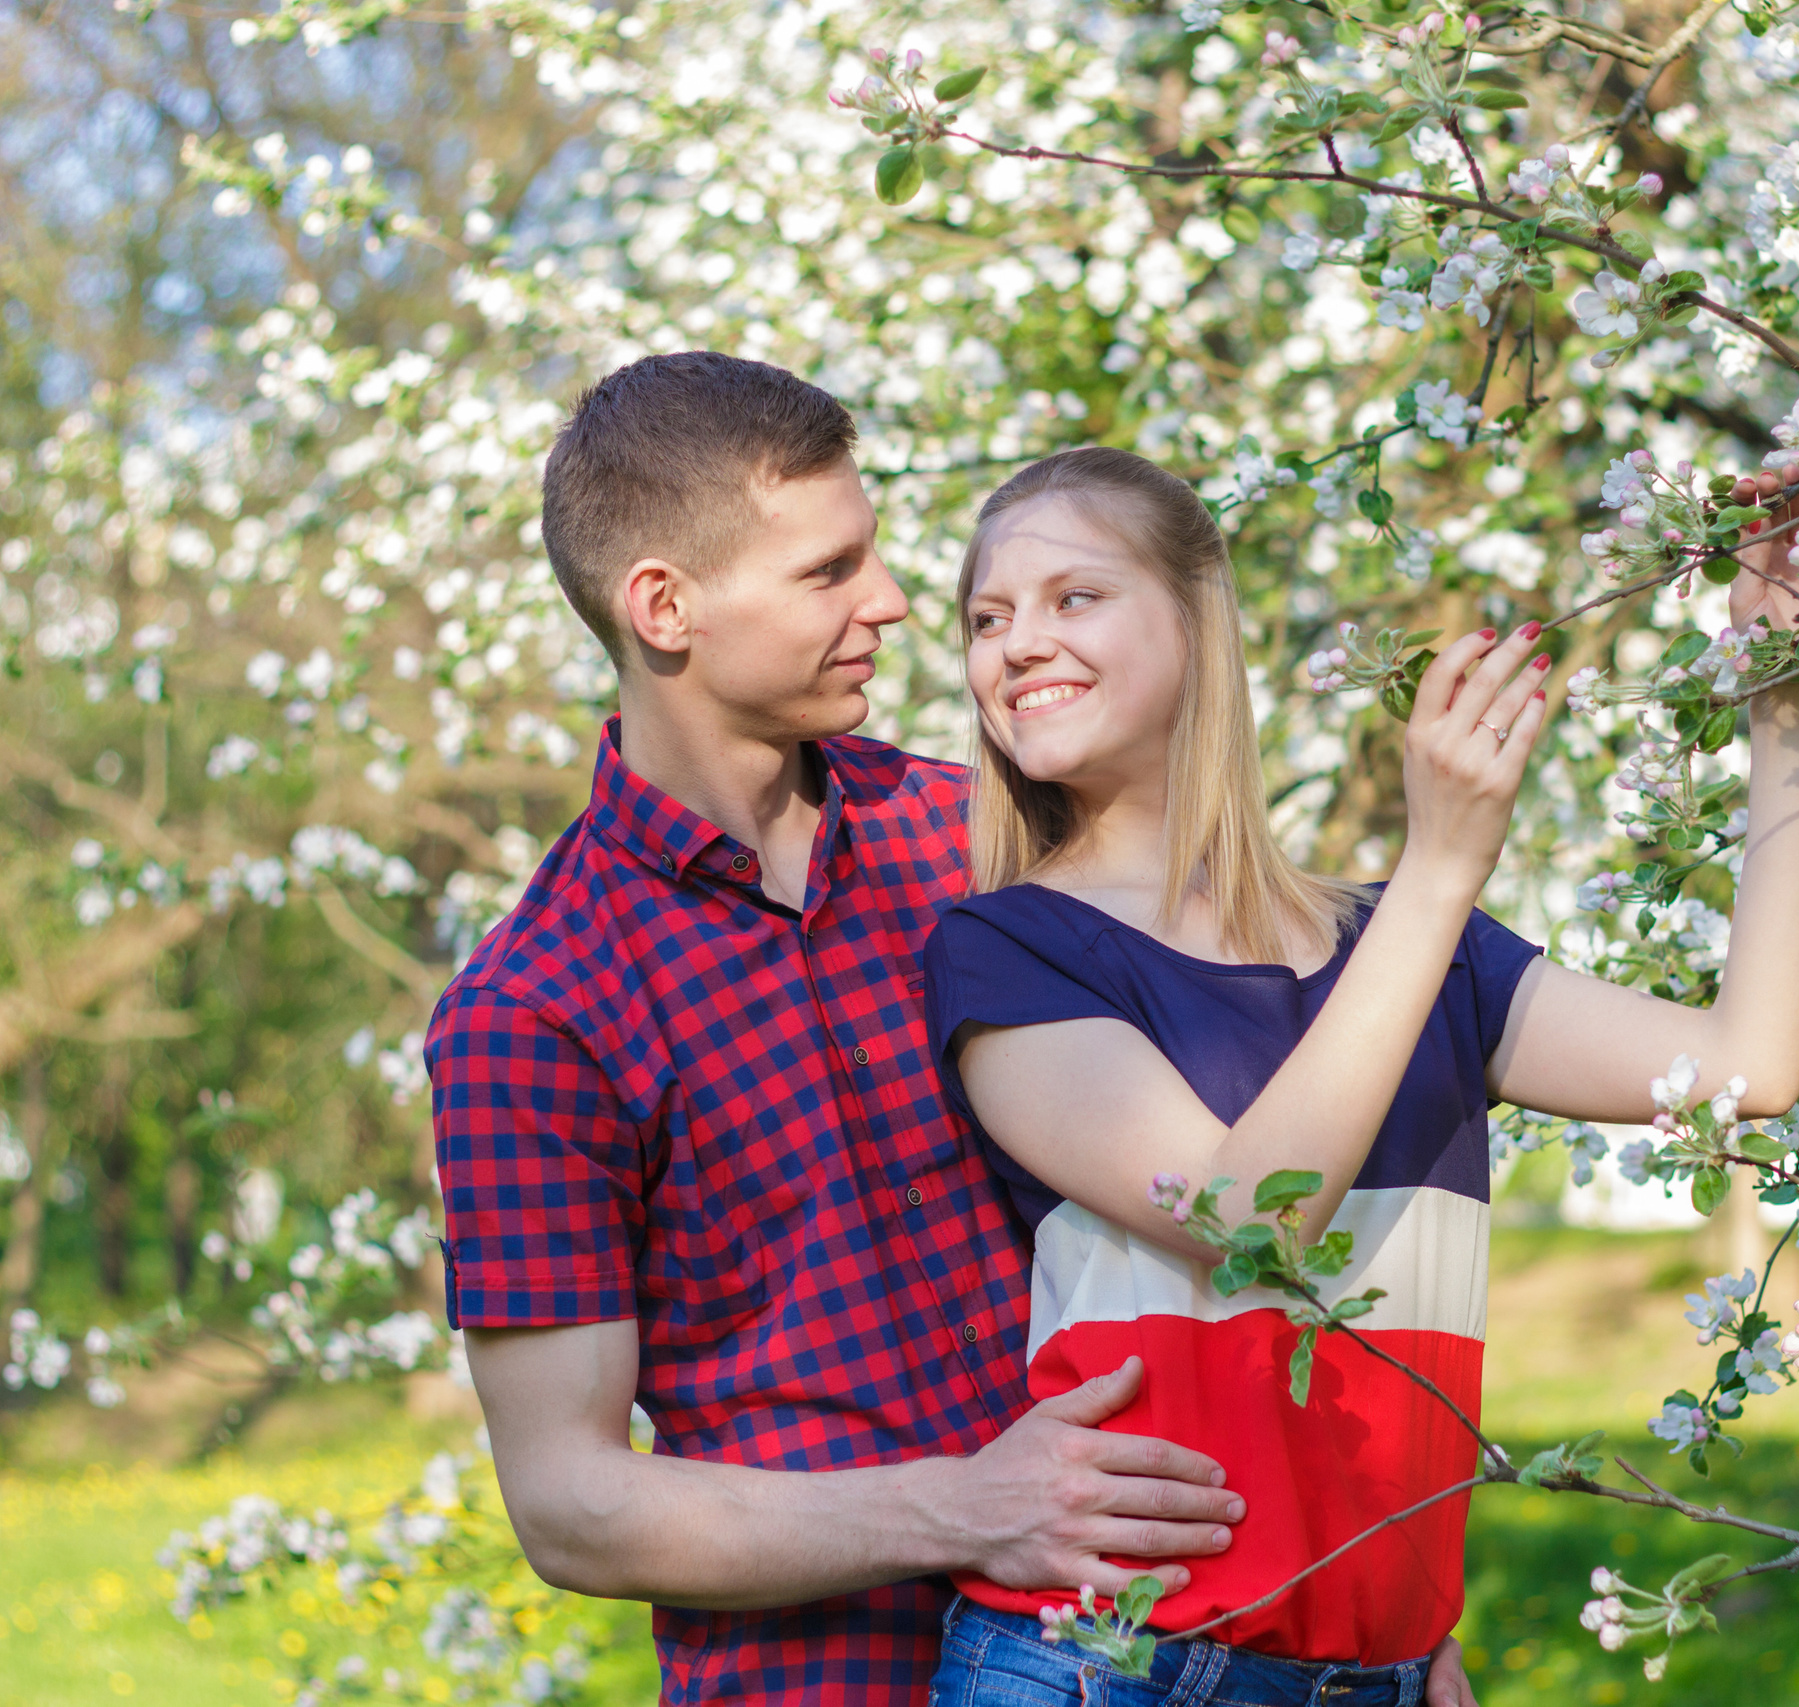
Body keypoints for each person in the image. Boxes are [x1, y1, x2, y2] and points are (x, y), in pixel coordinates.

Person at [431, 354, 1447, 1707]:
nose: (892, 601)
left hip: (1174, 1653)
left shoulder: (981, 841)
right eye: (828, 571)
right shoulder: (535, 1009)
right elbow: (570, 1503)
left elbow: (1238, 1192)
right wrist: (966, 1506)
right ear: (665, 607)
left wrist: (1369, 1601)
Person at [920, 447, 1799, 1704]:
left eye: (1072, 597)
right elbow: (1248, 1221)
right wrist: (1440, 866)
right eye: (987, 619)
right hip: (1109, 1669)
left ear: (1197, 622)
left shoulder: (1414, 951)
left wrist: (1789, 693)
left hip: (1377, 1676)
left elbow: (1750, 1067)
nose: (1018, 643)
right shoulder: (1009, 949)